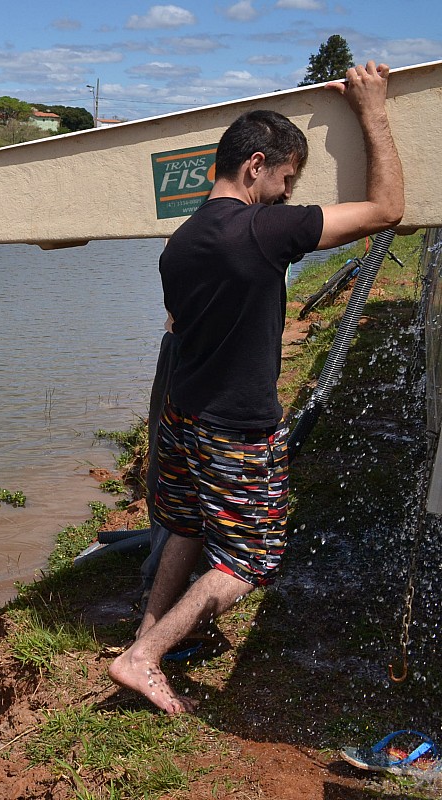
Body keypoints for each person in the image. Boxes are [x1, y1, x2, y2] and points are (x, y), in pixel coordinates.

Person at [110, 61, 404, 715]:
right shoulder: (265, 230)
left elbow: (182, 326)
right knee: (248, 560)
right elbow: (388, 210)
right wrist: (373, 111)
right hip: (235, 426)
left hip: (181, 417)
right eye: (286, 181)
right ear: (257, 166)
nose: (286, 195)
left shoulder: (179, 243)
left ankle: (144, 633)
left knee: (186, 528)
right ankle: (143, 658)